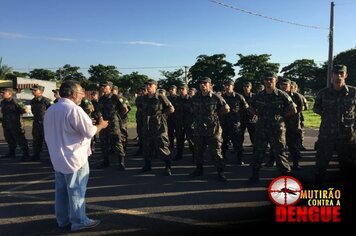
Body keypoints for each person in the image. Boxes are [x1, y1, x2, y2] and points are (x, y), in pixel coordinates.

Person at [43, 80, 108, 232]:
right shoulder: (74, 109)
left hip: (57, 157)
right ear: (72, 94)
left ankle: (62, 220)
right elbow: (90, 132)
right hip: (74, 158)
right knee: (76, 190)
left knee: (61, 191)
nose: (82, 96)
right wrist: (101, 125)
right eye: (80, 93)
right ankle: (79, 221)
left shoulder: (52, 109)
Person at [313, 65, 356, 186]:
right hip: (327, 136)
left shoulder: (353, 93)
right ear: (331, 76)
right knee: (320, 165)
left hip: (347, 137)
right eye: (336, 74)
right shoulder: (323, 93)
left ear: (346, 75)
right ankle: (317, 191)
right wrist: (329, 118)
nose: (339, 76)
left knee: (348, 167)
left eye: (341, 74)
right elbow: (317, 109)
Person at [249, 72, 296, 182]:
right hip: (262, 128)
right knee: (258, 152)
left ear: (276, 80)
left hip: (277, 129)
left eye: (271, 79)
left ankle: (286, 178)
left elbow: (293, 109)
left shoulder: (282, 95)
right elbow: (251, 108)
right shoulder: (259, 95)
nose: (269, 82)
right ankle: (254, 176)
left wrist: (281, 117)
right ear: (264, 81)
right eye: (266, 79)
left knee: (280, 153)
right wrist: (259, 115)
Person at [190, 77, 230, 182]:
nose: (202, 85)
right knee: (198, 150)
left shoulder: (216, 97)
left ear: (210, 85)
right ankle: (199, 169)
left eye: (205, 83)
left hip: (213, 129)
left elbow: (226, 108)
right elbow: (192, 109)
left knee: (216, 151)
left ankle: (220, 172)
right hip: (199, 128)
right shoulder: (195, 97)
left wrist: (215, 116)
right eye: (201, 83)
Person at [140, 79, 175, 176]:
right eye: (147, 85)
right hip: (147, 126)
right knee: (147, 146)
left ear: (156, 86)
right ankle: (147, 165)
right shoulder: (143, 98)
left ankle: (167, 166)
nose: (148, 87)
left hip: (159, 126)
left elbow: (171, 109)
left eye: (150, 85)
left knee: (162, 146)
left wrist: (162, 115)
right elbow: (141, 109)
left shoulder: (161, 97)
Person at [96, 82, 128, 170]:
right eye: (102, 86)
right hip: (103, 123)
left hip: (114, 124)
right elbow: (98, 110)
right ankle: (106, 161)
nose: (102, 88)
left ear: (110, 87)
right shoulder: (101, 98)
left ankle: (121, 163)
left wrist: (117, 117)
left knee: (117, 142)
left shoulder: (115, 97)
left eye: (104, 86)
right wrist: (100, 116)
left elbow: (125, 109)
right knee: (104, 143)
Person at [221, 79, 249, 165]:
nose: (227, 87)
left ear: (233, 87)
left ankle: (239, 159)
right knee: (223, 142)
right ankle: (223, 157)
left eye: (229, 85)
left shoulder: (239, 97)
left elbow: (246, 108)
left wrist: (241, 119)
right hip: (224, 123)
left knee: (237, 143)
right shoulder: (221, 97)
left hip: (235, 123)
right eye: (225, 85)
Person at [0, 88, 30, 160]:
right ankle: (11, 153)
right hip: (6, 124)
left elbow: (24, 110)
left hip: (16, 124)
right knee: (9, 139)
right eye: (1, 93)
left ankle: (26, 155)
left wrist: (22, 111)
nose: (1, 94)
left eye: (3, 93)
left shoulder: (16, 101)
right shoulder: (3, 102)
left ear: (10, 94)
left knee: (21, 140)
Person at [30, 84, 52, 160]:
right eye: (32, 90)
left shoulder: (47, 101)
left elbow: (53, 112)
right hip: (36, 123)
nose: (33, 92)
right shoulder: (32, 101)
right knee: (36, 139)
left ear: (41, 92)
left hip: (46, 124)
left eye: (35, 90)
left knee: (48, 141)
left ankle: (52, 157)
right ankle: (36, 155)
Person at [240, 81, 257, 146]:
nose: (246, 88)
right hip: (242, 118)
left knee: (253, 135)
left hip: (252, 119)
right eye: (244, 86)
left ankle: (255, 149)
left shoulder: (255, 96)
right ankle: (239, 149)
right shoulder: (240, 96)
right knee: (240, 135)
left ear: (250, 87)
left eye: (247, 86)